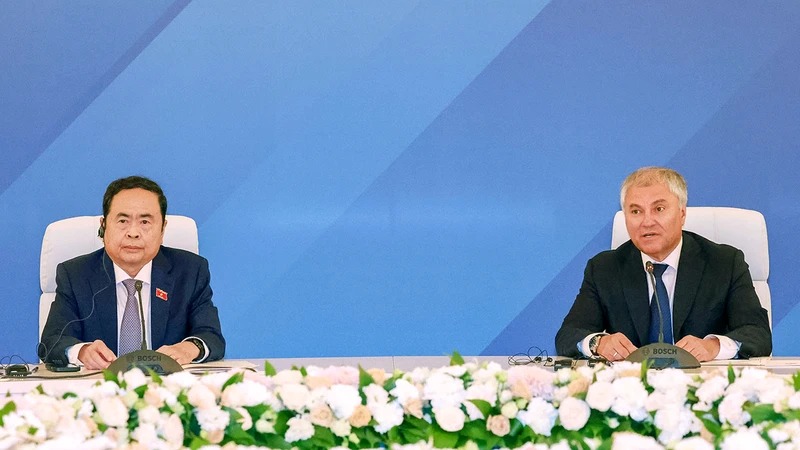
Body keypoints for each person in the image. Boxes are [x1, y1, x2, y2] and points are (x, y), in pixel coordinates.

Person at [555, 167, 771, 362]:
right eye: (636, 211)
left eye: (659, 209)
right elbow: (568, 335)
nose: (647, 222)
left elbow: (758, 334)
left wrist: (712, 346)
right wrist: (598, 343)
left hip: (703, 385)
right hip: (630, 388)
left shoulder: (724, 263)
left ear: (682, 213)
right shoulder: (604, 268)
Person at [39, 176, 225, 369]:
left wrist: (188, 349)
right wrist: (82, 351)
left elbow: (211, 337)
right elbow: (51, 342)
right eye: (123, 221)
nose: (133, 233)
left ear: (162, 229)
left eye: (145, 222)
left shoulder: (190, 271)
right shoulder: (76, 275)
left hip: (165, 384)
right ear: (103, 226)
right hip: (100, 384)